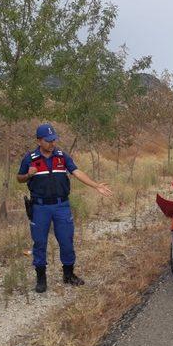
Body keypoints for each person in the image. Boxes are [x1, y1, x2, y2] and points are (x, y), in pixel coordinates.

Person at [17, 123, 112, 293]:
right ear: (39, 141)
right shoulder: (30, 158)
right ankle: (41, 278)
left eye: (54, 139)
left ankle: (68, 274)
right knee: (39, 243)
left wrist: (95, 185)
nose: (52, 143)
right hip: (40, 207)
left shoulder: (62, 156)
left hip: (61, 205)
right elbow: (19, 178)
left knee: (66, 241)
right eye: (48, 141)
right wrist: (28, 174)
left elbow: (76, 172)